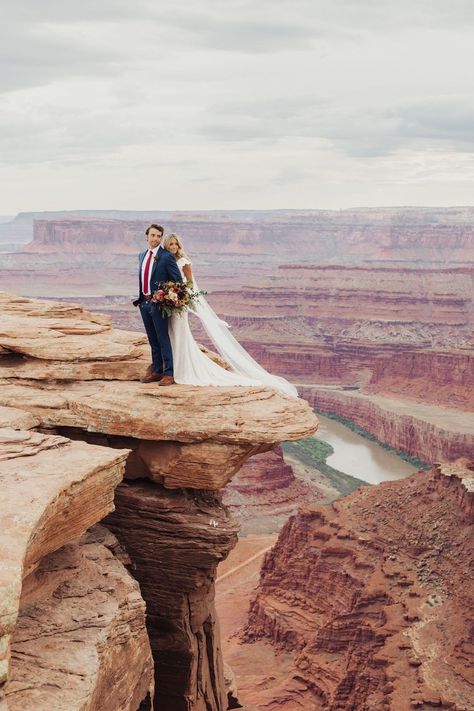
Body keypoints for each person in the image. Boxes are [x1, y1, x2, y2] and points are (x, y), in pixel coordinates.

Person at [162, 233, 298, 397]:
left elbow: (190, 284)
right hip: (168, 303)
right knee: (171, 335)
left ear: (179, 246)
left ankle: (182, 369)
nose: (173, 247)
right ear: (166, 246)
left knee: (180, 334)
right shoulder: (165, 261)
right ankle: (171, 368)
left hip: (180, 304)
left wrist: (181, 295)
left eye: (175, 244)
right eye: (170, 244)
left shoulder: (184, 262)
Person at [133, 224, 183, 386]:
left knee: (162, 338)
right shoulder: (142, 255)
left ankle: (169, 373)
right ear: (146, 236)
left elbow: (178, 281)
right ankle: (157, 371)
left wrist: (164, 298)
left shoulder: (166, 256)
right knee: (152, 339)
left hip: (159, 304)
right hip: (144, 303)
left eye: (158, 236)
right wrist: (141, 299)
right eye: (153, 235)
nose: (155, 239)